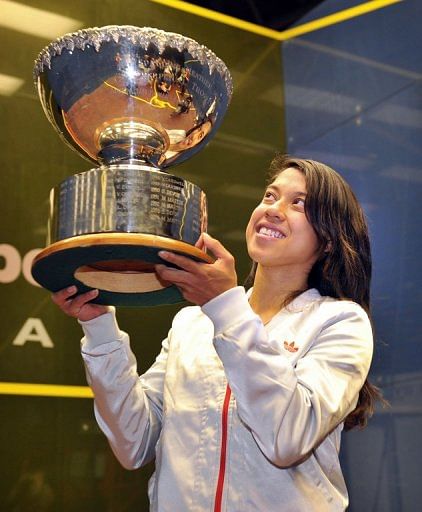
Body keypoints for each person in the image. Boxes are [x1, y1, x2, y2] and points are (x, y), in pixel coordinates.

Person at [52, 155, 381, 511]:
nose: (273, 209)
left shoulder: (341, 322)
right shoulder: (191, 324)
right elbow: (133, 443)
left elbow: (287, 438)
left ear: (330, 239)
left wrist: (225, 306)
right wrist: (99, 327)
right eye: (270, 196)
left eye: (297, 203)